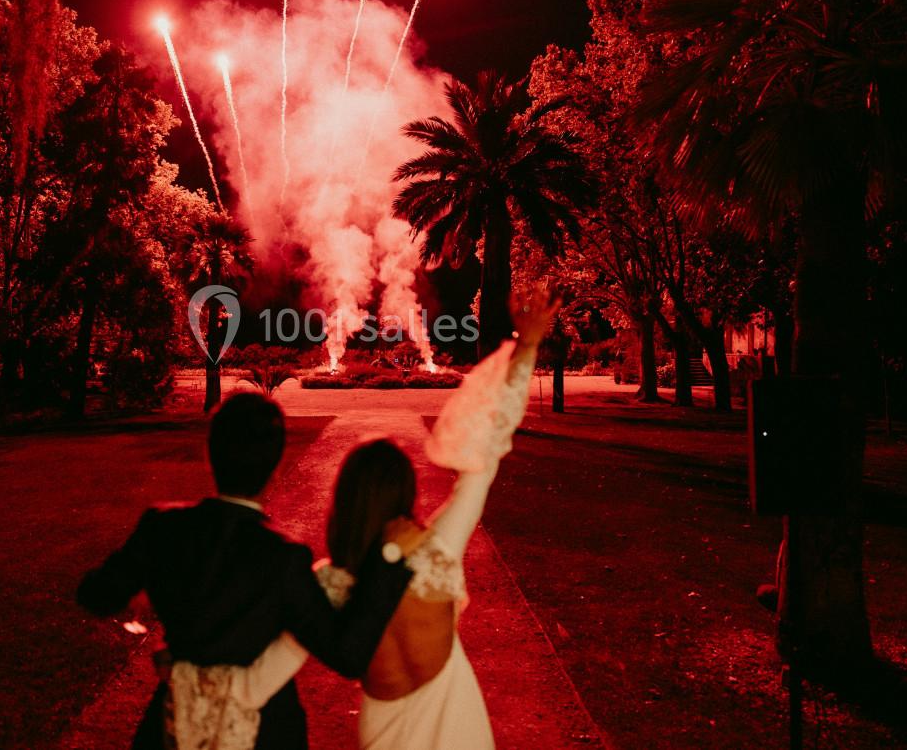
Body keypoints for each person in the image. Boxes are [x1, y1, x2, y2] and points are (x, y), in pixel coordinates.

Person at [166, 286, 562, 750]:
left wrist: (182, 672)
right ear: (406, 494)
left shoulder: (331, 586)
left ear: (345, 501)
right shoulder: (437, 553)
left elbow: (257, 682)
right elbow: (488, 449)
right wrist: (527, 345)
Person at [76, 391, 423, 750]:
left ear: (210, 454)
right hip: (266, 729)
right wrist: (388, 563)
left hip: (173, 722)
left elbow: (96, 595)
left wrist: (141, 602)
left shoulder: (161, 528)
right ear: (275, 465)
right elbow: (347, 654)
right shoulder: (284, 559)